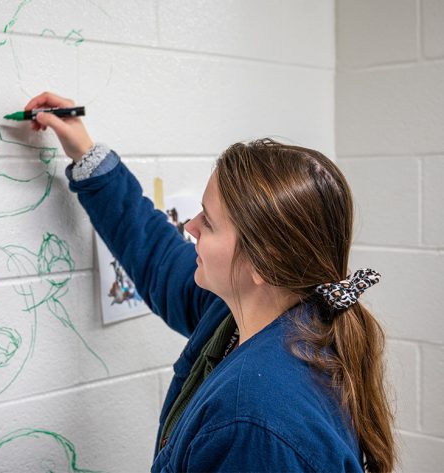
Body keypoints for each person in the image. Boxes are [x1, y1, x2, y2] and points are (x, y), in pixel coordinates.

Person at [23, 92, 396, 472]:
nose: (190, 227)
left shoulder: (252, 421)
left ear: (265, 261)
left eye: (210, 223)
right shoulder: (256, 312)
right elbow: (158, 256)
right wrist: (86, 154)